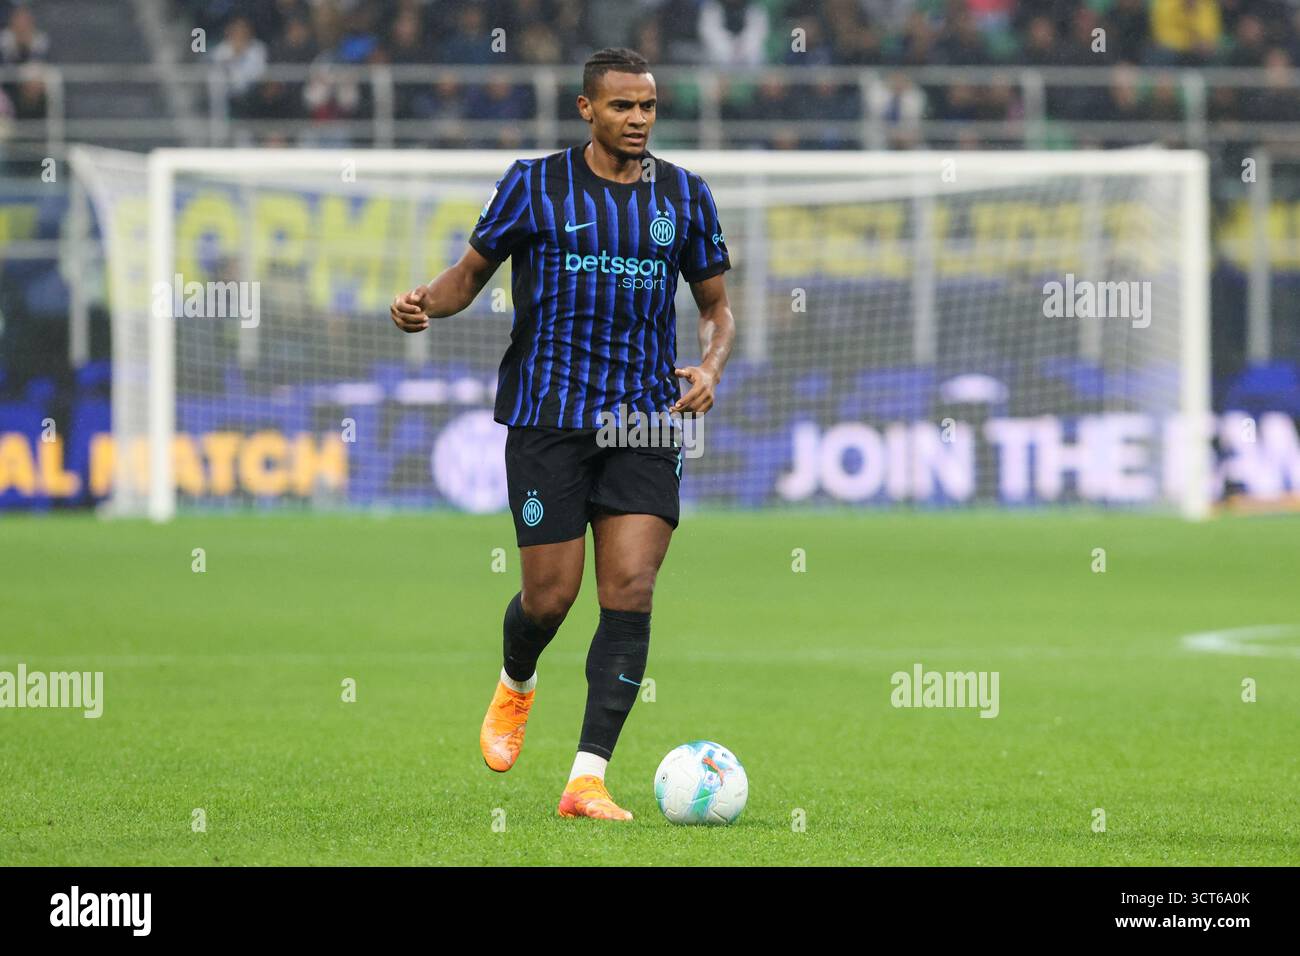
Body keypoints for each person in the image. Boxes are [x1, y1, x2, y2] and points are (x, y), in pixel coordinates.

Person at [389, 47, 736, 820]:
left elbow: (717, 306)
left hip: (647, 417)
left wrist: (712, 365)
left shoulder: (684, 195)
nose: (638, 119)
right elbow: (469, 276)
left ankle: (586, 780)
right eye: (622, 106)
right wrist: (425, 305)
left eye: (647, 106)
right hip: (549, 415)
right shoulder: (532, 184)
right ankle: (517, 681)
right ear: (588, 109)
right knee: (550, 599)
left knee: (631, 592)